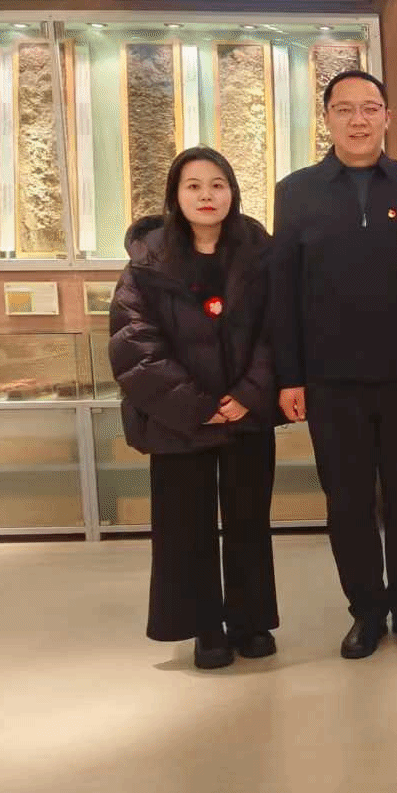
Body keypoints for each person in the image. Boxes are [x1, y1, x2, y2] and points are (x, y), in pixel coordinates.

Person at [270, 70, 397, 661]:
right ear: (327, 118)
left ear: (387, 117)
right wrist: (289, 375)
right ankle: (366, 612)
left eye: (370, 108)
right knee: (347, 504)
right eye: (345, 109)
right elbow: (283, 291)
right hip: (331, 382)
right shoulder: (296, 192)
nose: (358, 120)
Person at [108, 148, 278, 670]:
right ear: (175, 196)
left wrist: (248, 394)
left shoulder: (259, 254)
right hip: (178, 417)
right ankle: (205, 626)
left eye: (217, 184)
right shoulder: (147, 263)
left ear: (233, 192)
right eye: (194, 186)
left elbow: (277, 330)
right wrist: (198, 406)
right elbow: (134, 343)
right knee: (186, 525)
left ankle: (250, 620)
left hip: (245, 413)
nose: (207, 195)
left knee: (249, 520)